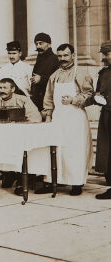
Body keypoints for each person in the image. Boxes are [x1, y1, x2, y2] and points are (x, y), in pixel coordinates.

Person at [38, 43, 93, 196]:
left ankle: (76, 183)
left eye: (65, 55)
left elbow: (89, 95)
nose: (62, 59)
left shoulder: (80, 73)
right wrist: (48, 115)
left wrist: (74, 100)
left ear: (73, 55)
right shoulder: (54, 75)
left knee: (75, 150)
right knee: (56, 150)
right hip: (58, 118)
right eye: (60, 56)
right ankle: (52, 181)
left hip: (75, 118)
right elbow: (48, 98)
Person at [0, 78, 42, 194]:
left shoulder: (23, 100)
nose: (2, 91)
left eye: (5, 88)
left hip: (19, 138)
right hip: (1, 138)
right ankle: (9, 173)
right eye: (0, 88)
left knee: (19, 153)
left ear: (13, 89)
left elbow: (36, 118)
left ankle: (22, 180)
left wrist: (19, 124)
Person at [94, 41, 111, 199]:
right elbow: (98, 92)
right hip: (106, 115)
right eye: (103, 54)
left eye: (107, 54)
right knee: (107, 150)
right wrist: (96, 96)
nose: (104, 57)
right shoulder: (103, 73)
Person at [30, 33, 60, 111]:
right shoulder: (39, 58)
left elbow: (57, 78)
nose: (38, 46)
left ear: (49, 45)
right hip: (38, 99)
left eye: (41, 43)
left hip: (48, 100)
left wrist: (41, 79)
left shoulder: (55, 59)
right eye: (36, 44)